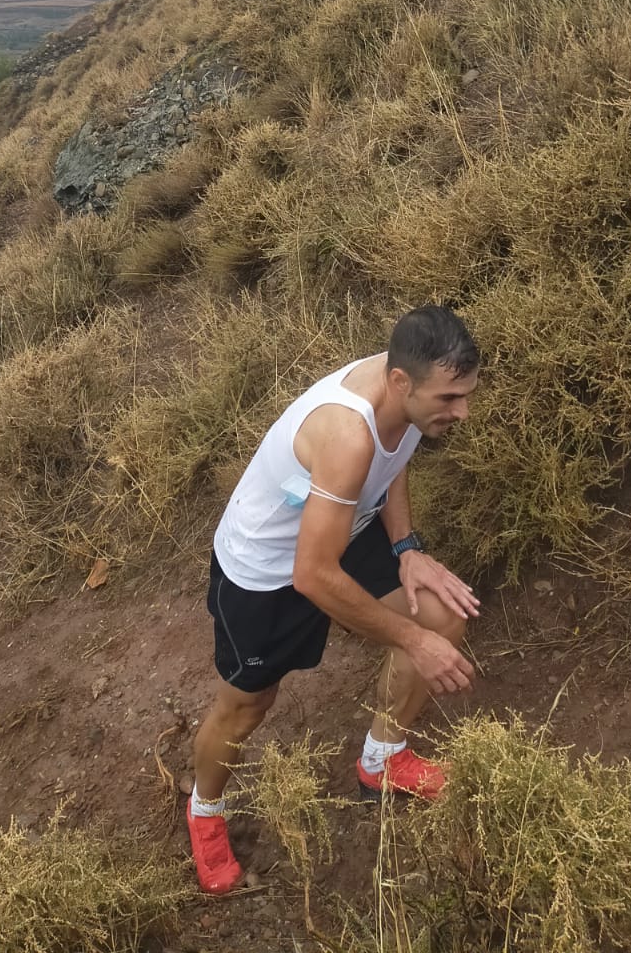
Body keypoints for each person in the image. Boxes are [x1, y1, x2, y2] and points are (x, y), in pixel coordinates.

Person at [186, 304, 481, 894]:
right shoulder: (347, 432)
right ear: (401, 382)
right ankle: (204, 813)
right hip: (265, 570)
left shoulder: (406, 392)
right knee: (248, 705)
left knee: (442, 614)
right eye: (450, 398)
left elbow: (392, 458)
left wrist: (407, 546)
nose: (462, 411)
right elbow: (312, 577)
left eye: (466, 394)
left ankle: (382, 761)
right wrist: (411, 640)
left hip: (343, 523)